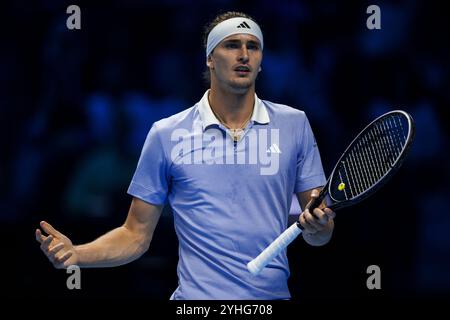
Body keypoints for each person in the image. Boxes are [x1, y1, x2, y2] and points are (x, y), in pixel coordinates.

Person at [36, 11, 335, 300]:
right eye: (232, 45)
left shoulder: (295, 124)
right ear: (209, 59)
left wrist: (320, 228)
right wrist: (78, 253)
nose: (244, 54)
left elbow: (318, 232)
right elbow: (135, 235)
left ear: (260, 62)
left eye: (253, 46)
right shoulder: (166, 134)